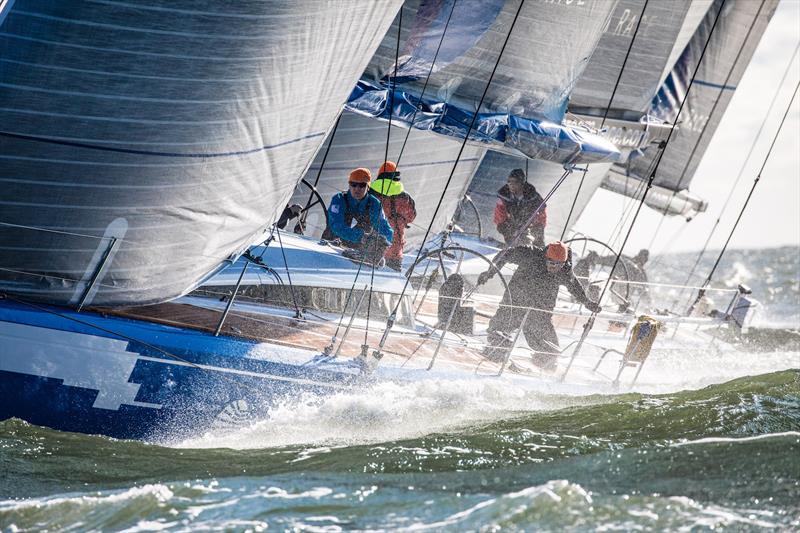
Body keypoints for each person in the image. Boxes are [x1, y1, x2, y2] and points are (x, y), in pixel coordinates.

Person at [476, 241, 601, 370]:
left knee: (551, 354)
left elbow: (574, 286)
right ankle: (493, 359)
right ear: (546, 257)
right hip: (515, 305)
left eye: (559, 264)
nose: (554, 267)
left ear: (564, 263)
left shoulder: (564, 270)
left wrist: (587, 302)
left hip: (540, 314)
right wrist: (490, 272)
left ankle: (539, 372)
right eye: (551, 263)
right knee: (498, 340)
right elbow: (505, 254)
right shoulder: (530, 254)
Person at [322, 167, 393, 264]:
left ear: (368, 187)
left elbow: (385, 228)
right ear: (349, 185)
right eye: (353, 184)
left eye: (362, 185)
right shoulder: (339, 199)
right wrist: (361, 236)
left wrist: (383, 241)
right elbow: (336, 225)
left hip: (359, 252)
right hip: (330, 246)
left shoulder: (374, 203)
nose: (357, 189)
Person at [369, 161, 417, 271]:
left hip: (376, 248)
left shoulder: (371, 192)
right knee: (389, 281)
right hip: (395, 251)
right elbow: (411, 217)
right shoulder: (405, 197)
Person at [493, 168, 547, 246]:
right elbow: (499, 219)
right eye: (509, 181)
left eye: (515, 182)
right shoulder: (504, 197)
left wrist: (536, 234)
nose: (511, 184)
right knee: (513, 245)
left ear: (522, 183)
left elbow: (541, 218)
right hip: (512, 226)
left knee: (536, 245)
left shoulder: (534, 197)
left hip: (530, 226)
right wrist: (510, 232)